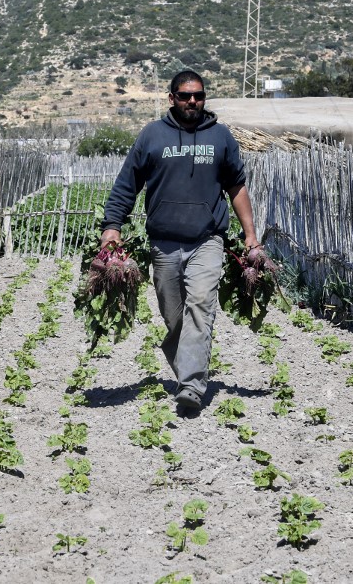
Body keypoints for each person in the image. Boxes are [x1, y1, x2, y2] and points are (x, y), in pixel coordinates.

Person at [100, 69, 260, 411]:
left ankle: (191, 386)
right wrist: (112, 225)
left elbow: (236, 187)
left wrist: (250, 234)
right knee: (175, 318)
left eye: (198, 96)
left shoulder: (220, 137)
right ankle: (188, 368)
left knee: (201, 306)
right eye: (185, 95)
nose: (192, 101)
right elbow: (127, 184)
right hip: (164, 243)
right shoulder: (152, 136)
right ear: (172, 98)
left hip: (207, 239)